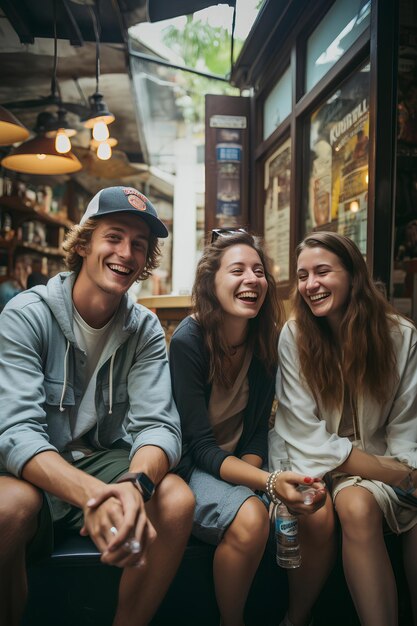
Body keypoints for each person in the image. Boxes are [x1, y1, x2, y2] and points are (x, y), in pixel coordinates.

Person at [0, 185, 194, 626]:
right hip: (29, 470)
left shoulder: (143, 329)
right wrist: (94, 496)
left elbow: (160, 428)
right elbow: (16, 434)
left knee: (177, 500)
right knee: (9, 510)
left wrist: (132, 486)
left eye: (139, 245)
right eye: (114, 236)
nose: (126, 252)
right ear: (85, 242)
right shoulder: (26, 314)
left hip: (98, 461)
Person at [169, 229, 327, 626]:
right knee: (253, 517)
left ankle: (296, 616)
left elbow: (256, 428)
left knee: (313, 511)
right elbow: (199, 446)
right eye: (237, 270)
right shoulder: (189, 341)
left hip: (240, 463)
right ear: (211, 283)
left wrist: (255, 480)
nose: (251, 279)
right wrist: (265, 483)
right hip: (190, 467)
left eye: (259, 271)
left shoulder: (265, 342)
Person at [269, 231, 417, 626]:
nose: (310, 285)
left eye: (322, 271)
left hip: (388, 459)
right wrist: (400, 476)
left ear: (353, 274)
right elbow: (303, 430)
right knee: (354, 502)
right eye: (302, 276)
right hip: (318, 463)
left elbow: (407, 423)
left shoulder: (400, 335)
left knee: (382, 504)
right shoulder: (295, 335)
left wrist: (405, 470)